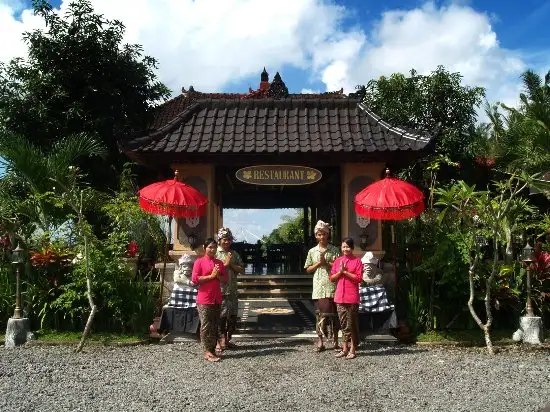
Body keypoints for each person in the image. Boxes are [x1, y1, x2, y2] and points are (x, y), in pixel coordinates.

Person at [304, 220, 341, 352]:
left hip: (332, 285)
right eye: (319, 234)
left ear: (328, 235)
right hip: (319, 285)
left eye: (324, 234)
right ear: (316, 236)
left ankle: (336, 340)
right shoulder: (312, 251)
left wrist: (328, 263)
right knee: (320, 314)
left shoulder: (335, 250)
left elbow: (339, 268)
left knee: (334, 314)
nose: (322, 237)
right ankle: (320, 341)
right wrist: (319, 263)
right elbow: (308, 269)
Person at [191, 238, 228, 363]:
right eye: (210, 247)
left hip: (216, 298)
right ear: (204, 247)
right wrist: (211, 276)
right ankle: (207, 351)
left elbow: (225, 279)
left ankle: (211, 350)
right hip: (204, 299)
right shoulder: (199, 262)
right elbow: (195, 279)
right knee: (206, 326)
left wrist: (217, 276)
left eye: (214, 247)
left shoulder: (219, 263)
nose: (212, 249)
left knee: (214, 325)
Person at [330, 237, 363, 360]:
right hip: (340, 297)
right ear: (341, 247)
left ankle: (353, 349)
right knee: (343, 324)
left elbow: (359, 278)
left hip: (352, 297)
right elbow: (332, 278)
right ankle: (344, 349)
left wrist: (345, 272)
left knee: (352, 324)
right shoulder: (338, 261)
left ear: (352, 248)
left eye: (348, 247)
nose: (345, 249)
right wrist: (340, 272)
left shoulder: (357, 261)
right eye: (343, 247)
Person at [215, 227, 244, 350]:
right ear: (219, 240)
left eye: (229, 239)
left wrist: (231, 263)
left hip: (232, 290)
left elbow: (241, 269)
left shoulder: (234, 254)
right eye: (224, 239)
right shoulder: (215, 253)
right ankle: (219, 341)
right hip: (220, 291)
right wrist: (225, 264)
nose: (227, 242)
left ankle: (227, 339)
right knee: (220, 317)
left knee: (232, 316)